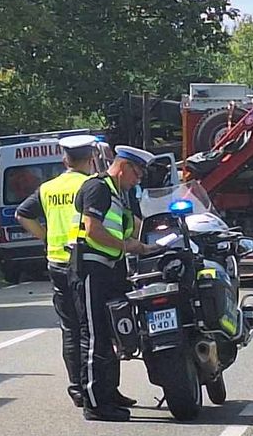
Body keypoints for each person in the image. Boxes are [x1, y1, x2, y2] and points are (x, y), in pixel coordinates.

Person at [15, 134, 103, 408]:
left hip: (56, 262)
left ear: (64, 159)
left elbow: (22, 213)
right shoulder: (92, 185)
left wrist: (46, 237)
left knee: (70, 329)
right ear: (91, 158)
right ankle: (95, 388)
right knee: (92, 328)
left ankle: (76, 387)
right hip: (86, 261)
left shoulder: (48, 188)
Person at [73, 145, 154, 421]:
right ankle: (95, 403)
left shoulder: (119, 194)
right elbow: (93, 229)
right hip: (92, 270)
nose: (138, 179)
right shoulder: (98, 188)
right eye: (137, 173)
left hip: (111, 269)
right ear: (123, 167)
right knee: (95, 336)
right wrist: (128, 246)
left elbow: (132, 225)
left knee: (112, 335)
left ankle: (110, 392)